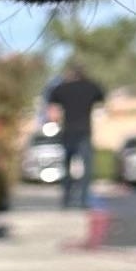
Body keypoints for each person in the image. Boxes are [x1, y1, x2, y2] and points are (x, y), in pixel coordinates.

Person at [42, 61, 106, 208]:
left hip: (68, 132)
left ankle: (66, 199)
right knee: (87, 168)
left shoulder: (63, 88)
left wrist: (53, 116)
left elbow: (51, 100)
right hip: (85, 132)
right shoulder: (90, 87)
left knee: (66, 166)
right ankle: (84, 199)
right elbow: (101, 96)